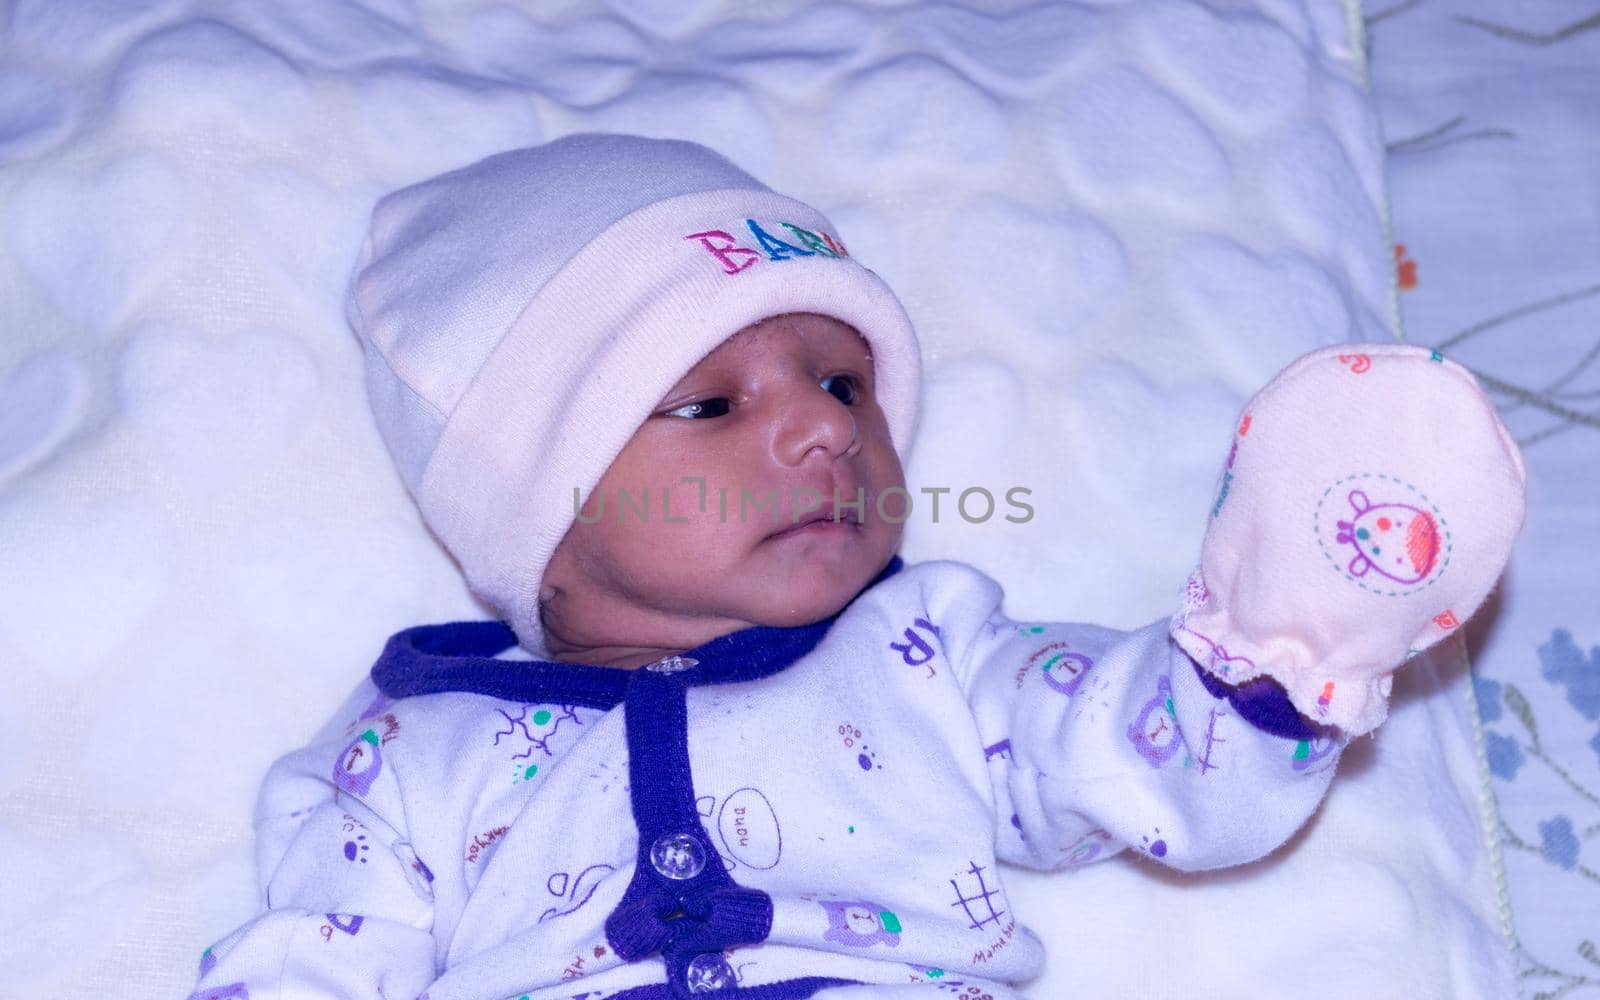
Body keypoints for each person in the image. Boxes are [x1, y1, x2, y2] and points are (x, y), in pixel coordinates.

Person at [187, 133, 1526, 1000]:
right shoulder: (411, 748)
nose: (826, 425)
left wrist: (1279, 641)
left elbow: (1150, 760)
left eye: (843, 380)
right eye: (709, 404)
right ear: (536, 506)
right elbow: (313, 956)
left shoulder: (933, 654)